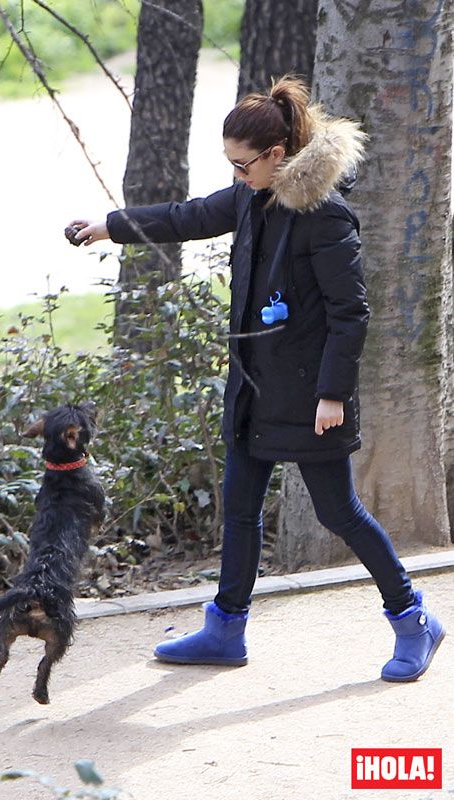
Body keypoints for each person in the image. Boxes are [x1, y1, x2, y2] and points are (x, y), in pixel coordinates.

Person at [69, 75, 445, 682]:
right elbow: (189, 216)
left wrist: (332, 396)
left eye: (244, 166)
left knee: (339, 513)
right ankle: (225, 630)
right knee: (240, 508)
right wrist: (112, 225)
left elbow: (351, 314)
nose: (237, 177)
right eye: (232, 167)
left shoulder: (326, 218)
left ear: (277, 156)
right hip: (253, 386)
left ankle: (413, 619)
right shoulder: (250, 195)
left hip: (309, 394)